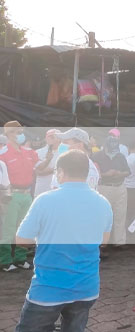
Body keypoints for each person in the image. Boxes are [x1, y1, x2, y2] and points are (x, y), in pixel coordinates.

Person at [14, 150, 113, 332]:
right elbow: (103, 241)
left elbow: (21, 239)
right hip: (86, 287)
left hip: (49, 288)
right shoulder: (103, 203)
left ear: (60, 171)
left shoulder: (44, 200)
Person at [0, 121, 38, 271]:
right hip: (11, 195)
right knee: (8, 229)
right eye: (16, 132)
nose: (20, 134)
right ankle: (5, 260)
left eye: (21, 131)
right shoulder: (2, 154)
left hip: (27, 194)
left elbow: (39, 166)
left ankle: (20, 258)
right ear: (8, 134)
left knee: (24, 228)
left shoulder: (29, 152)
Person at [93, 134, 131, 247]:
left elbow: (128, 172)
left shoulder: (120, 156)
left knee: (120, 215)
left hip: (120, 187)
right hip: (104, 186)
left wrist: (120, 173)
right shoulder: (96, 156)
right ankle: (102, 242)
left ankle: (119, 241)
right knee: (103, 215)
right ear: (106, 146)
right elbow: (93, 173)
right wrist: (105, 174)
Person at [33, 128, 61, 197]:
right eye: (51, 137)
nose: (54, 139)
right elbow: (38, 172)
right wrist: (56, 169)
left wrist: (48, 169)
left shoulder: (64, 153)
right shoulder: (38, 152)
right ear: (46, 139)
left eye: (56, 137)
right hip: (41, 191)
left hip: (57, 192)